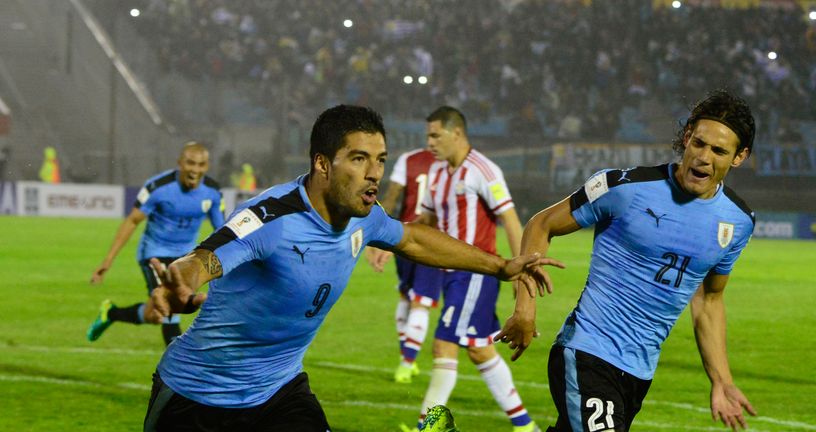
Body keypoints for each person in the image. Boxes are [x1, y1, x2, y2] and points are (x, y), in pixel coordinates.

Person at [140, 105, 562, 432]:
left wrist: (502, 266)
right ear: (323, 163)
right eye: (359, 159)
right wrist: (181, 280)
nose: (374, 173)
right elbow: (207, 257)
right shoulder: (272, 217)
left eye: (379, 160)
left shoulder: (365, 216)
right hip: (197, 399)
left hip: (278, 393)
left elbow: (412, 237)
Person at [495, 90, 758, 432]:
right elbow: (541, 225)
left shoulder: (737, 222)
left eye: (719, 151)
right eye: (699, 144)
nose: (703, 158)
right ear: (686, 137)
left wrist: (721, 380)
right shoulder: (625, 188)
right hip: (587, 352)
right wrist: (525, 308)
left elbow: (709, 300)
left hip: (638, 372)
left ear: (740, 157)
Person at [404, 106, 542, 432]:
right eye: (427, 136)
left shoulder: (483, 169)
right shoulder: (437, 174)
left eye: (435, 135)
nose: (430, 142)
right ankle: (526, 427)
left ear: (457, 133)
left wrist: (518, 271)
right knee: (480, 351)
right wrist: (392, 239)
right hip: (449, 273)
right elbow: (425, 221)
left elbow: (510, 220)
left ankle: (426, 426)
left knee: (444, 345)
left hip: (476, 273)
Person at [87, 141, 224, 346]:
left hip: (185, 258)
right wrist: (108, 260)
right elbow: (132, 220)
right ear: (180, 163)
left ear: (207, 167)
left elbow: (222, 230)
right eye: (190, 164)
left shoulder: (212, 191)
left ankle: (111, 313)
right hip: (154, 254)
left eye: (200, 165)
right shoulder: (158, 187)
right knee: (171, 307)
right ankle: (179, 371)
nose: (195, 170)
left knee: (154, 314)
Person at [367, 147, 443, 384]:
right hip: (435, 239)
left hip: (404, 235)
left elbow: (390, 198)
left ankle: (407, 359)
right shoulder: (451, 164)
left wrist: (381, 235)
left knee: (405, 297)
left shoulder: (408, 159)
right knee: (420, 303)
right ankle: (407, 364)